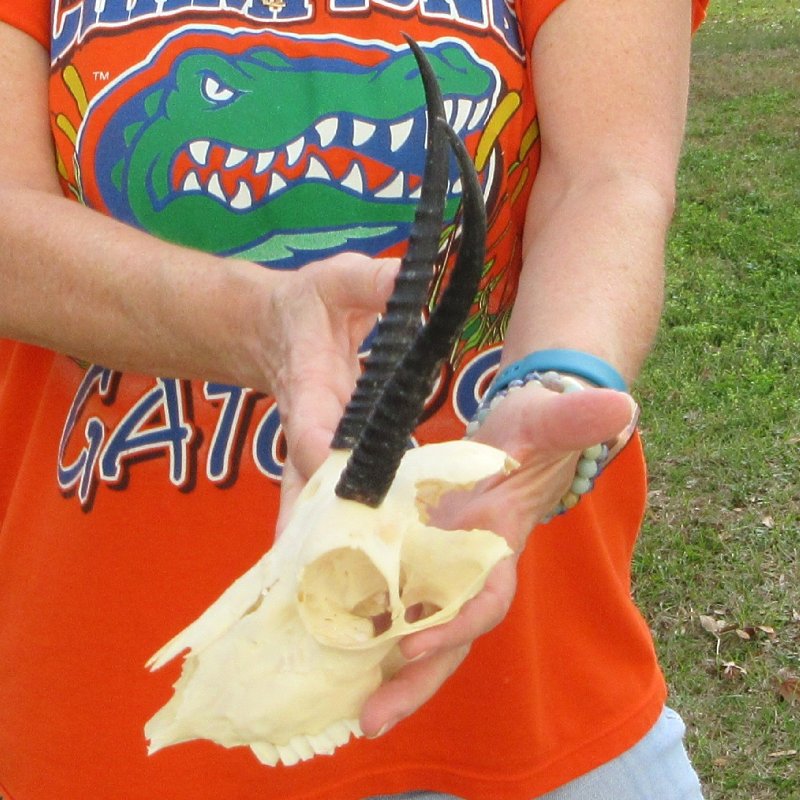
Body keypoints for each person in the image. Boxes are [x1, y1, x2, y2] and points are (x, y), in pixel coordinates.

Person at [0, 1, 709, 798]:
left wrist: (553, 386)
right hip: (108, 709)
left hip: (525, 701)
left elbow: (607, 178)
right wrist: (258, 324)